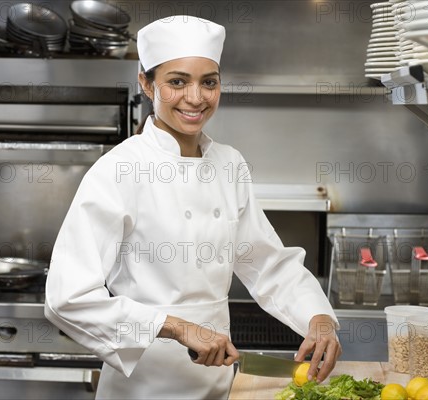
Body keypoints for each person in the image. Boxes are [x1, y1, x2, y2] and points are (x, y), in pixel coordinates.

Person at [45, 15, 341, 400]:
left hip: (219, 382)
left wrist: (318, 318)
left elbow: (267, 262)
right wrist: (176, 327)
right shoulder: (119, 169)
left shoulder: (229, 163)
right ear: (146, 83)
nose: (196, 97)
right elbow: (67, 298)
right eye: (177, 81)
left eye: (209, 82)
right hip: (143, 387)